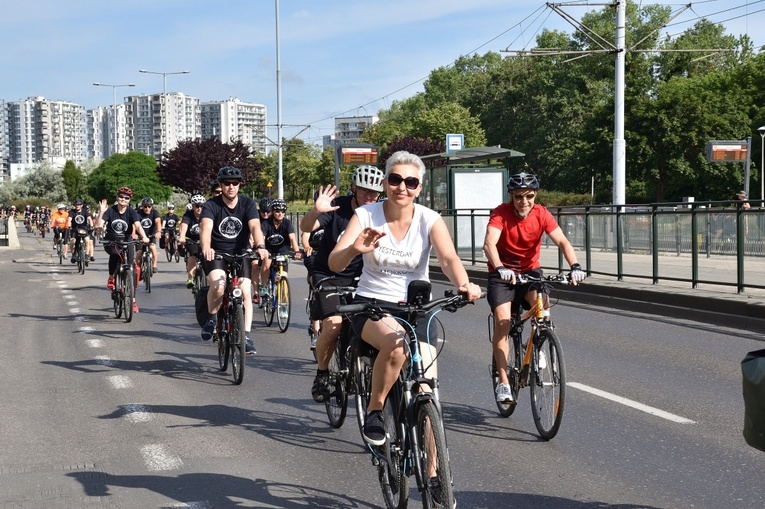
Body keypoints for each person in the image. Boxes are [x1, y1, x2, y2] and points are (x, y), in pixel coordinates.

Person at [329, 151, 482, 445]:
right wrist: (354, 250)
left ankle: (436, 479)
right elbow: (336, 263)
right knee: (397, 345)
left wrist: (465, 283)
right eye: (396, 179)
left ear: (419, 188)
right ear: (386, 182)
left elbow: (448, 258)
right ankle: (375, 410)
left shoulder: (429, 219)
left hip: (417, 308)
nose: (403, 187)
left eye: (411, 182)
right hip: (373, 307)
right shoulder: (366, 215)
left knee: (427, 391)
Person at [482, 172, 585, 404]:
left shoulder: (541, 213)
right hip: (502, 274)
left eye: (529, 196)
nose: (524, 201)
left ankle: (538, 343)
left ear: (535, 195)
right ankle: (503, 382)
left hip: (529, 272)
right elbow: (489, 243)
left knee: (543, 308)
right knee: (503, 323)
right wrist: (499, 267)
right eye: (519, 197)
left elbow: (562, 241)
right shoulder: (500, 213)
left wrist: (575, 265)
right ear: (511, 196)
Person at [300, 165, 385, 403]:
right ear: (354, 188)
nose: (370, 197)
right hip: (329, 273)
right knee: (334, 324)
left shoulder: (381, 211)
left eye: (375, 192)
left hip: (365, 276)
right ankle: (322, 373)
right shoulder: (338, 209)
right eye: (365, 191)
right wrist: (315, 212)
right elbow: (306, 228)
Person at [199, 166, 269, 355]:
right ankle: (212, 318)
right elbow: (206, 228)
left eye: (235, 183)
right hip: (217, 254)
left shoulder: (247, 203)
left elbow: (255, 227)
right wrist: (206, 247)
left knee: (246, 293)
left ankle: (245, 336)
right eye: (227, 183)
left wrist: (260, 246)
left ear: (239, 185)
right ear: (221, 185)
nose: (231, 187)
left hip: (241, 253)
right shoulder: (211, 205)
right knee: (218, 287)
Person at [97, 187, 151, 314]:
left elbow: (137, 225)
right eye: (121, 197)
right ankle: (111, 278)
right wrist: (101, 212)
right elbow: (99, 226)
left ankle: (132, 300)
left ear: (129, 200)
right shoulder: (110, 211)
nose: (123, 199)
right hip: (111, 241)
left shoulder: (132, 212)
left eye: (126, 198)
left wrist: (144, 236)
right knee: (116, 255)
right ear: (117, 198)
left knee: (131, 269)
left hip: (127, 241)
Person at [258, 198, 302, 299]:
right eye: (277, 211)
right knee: (267, 262)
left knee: (283, 277)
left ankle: (282, 303)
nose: (280, 213)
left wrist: (297, 251)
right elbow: (262, 238)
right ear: (272, 211)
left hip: (283, 252)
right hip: (269, 251)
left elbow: (292, 238)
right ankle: (264, 286)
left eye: (283, 211)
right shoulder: (266, 223)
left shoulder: (287, 223)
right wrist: (262, 249)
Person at [179, 194, 205, 289]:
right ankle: (190, 277)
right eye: (197, 206)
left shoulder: (207, 214)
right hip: (191, 239)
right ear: (193, 206)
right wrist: (182, 237)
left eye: (201, 206)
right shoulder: (188, 215)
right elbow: (184, 225)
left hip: (204, 239)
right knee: (193, 254)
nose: (199, 208)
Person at [136, 197, 161, 274]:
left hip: (151, 235)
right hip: (140, 236)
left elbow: (158, 222)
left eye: (149, 206)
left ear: (152, 207)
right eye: (145, 206)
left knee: (152, 247)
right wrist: (133, 234)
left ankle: (154, 266)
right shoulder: (138, 213)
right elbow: (134, 224)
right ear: (142, 206)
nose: (147, 208)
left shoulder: (155, 212)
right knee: (139, 252)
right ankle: (138, 269)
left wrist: (158, 232)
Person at [67, 199, 95, 263]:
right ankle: (73, 255)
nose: (77, 206)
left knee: (87, 241)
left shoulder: (85, 211)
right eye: (76, 205)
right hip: (75, 229)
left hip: (84, 229)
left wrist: (91, 225)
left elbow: (89, 219)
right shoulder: (72, 212)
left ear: (81, 205)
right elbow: (69, 219)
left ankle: (87, 255)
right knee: (72, 242)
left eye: (79, 205)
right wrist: (69, 225)